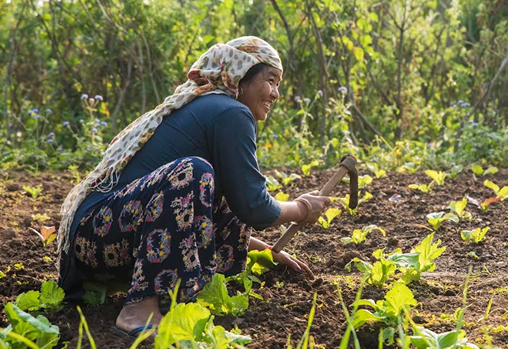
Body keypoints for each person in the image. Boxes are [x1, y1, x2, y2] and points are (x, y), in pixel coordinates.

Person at [56, 36, 330, 337]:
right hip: (96, 237)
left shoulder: (212, 107)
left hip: (96, 243)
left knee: (220, 183)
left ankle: (171, 294)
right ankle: (137, 310)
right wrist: (302, 209)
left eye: (279, 84)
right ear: (242, 74)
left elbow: (200, 209)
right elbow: (254, 206)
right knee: (191, 172)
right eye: (271, 80)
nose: (276, 93)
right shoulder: (231, 112)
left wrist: (262, 250)